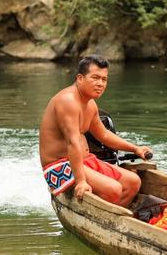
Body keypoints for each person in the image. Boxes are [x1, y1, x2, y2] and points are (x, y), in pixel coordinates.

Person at [39, 55, 151, 207]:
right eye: (95, 78)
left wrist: (135, 148)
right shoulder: (68, 101)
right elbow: (72, 142)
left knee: (133, 182)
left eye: (104, 79)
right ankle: (103, 219)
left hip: (85, 160)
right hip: (59, 167)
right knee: (114, 189)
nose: (100, 84)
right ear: (80, 78)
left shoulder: (90, 104)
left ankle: (113, 220)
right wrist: (81, 182)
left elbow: (104, 135)